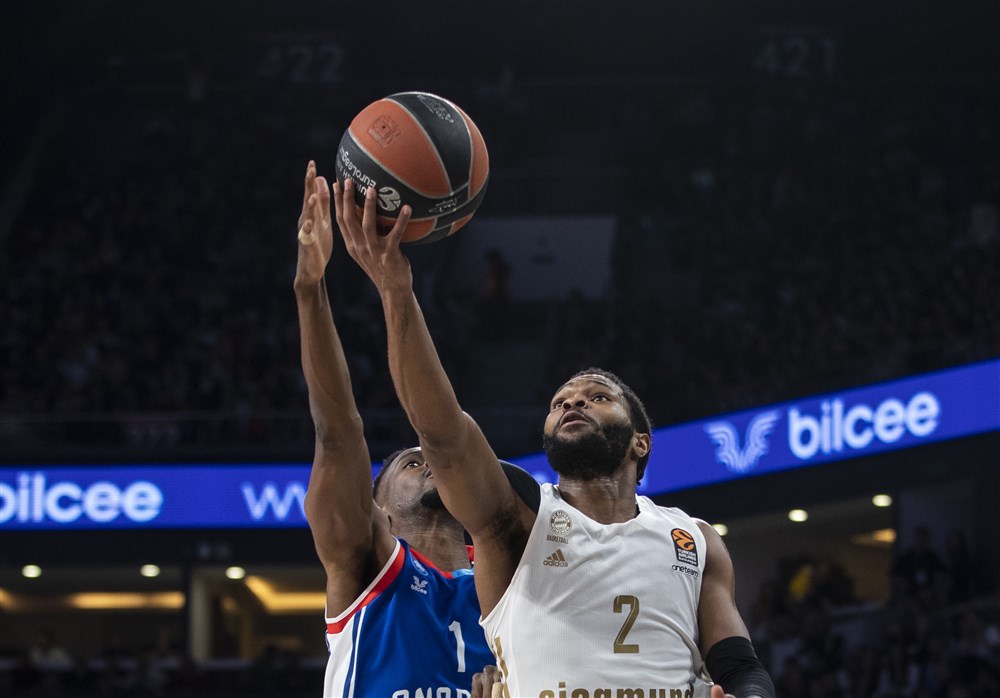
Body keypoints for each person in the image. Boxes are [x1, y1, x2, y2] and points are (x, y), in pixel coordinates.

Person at [333, 178, 775, 698]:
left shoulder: (694, 539)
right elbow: (443, 434)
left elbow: (740, 666)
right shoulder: (517, 518)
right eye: (559, 402)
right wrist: (395, 289)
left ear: (640, 442)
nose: (571, 404)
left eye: (597, 397)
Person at [294, 162, 497, 697]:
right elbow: (338, 433)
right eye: (410, 463)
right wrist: (311, 290)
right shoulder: (367, 567)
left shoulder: (506, 582)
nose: (427, 462)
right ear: (377, 510)